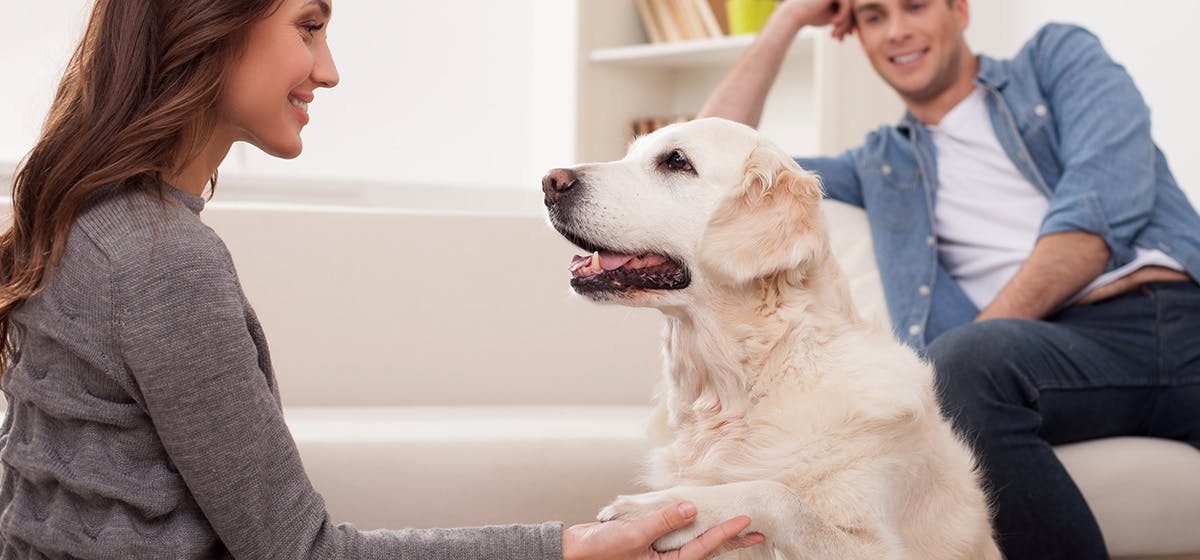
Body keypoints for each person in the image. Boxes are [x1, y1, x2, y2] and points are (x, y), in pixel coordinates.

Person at [0, 1, 767, 558]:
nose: (328, 71)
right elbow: (302, 553)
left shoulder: (82, 220)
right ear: (211, 21)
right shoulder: (162, 258)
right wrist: (570, 548)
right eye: (309, 26)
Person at [699, 0, 1200, 558]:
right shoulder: (881, 166)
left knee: (957, 365)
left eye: (914, 5)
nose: (897, 31)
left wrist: (965, 357)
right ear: (856, 37)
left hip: (1174, 316)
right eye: (872, 16)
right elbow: (711, 163)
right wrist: (786, 20)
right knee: (956, 370)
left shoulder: (1058, 59)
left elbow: (1093, 223)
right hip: (1051, 357)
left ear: (959, 10)